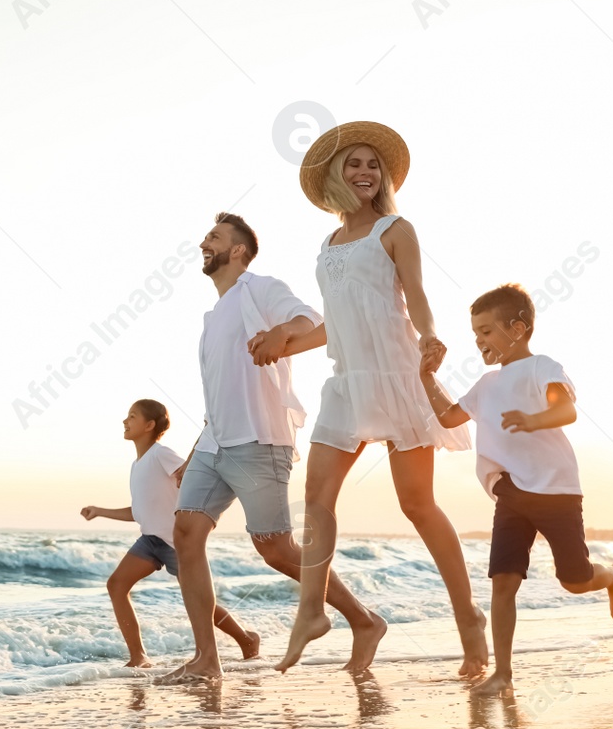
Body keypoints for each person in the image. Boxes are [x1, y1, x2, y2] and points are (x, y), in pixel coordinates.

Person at [256, 122, 489, 677]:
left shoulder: (395, 228)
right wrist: (282, 343)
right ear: (334, 175)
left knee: (417, 504)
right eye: (354, 164)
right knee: (316, 496)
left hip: (399, 374)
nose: (365, 172)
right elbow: (335, 326)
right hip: (348, 379)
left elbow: (416, 296)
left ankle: (469, 620)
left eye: (373, 165)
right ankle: (311, 611)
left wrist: (431, 338)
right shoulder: (328, 243)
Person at [161, 213, 388, 685]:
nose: (204, 243)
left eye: (215, 238)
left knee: (277, 549)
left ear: (238, 250)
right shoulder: (213, 315)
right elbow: (219, 394)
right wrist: (193, 452)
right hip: (214, 443)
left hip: (259, 440)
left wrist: (284, 334)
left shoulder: (258, 288)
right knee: (185, 536)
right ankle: (207, 657)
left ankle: (364, 620)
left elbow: (312, 317)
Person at [417, 282, 613, 697]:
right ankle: (504, 673)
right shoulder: (484, 386)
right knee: (503, 581)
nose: (479, 341)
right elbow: (447, 417)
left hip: (556, 492)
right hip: (511, 494)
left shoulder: (544, 368)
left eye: (486, 331)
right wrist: (427, 378)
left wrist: (534, 421)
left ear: (518, 328)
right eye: (475, 333)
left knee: (574, 580)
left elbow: (565, 408)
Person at [80, 399, 261, 667]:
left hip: (177, 542)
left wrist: (191, 470)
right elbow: (139, 511)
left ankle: (245, 639)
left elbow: (190, 477)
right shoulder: (137, 465)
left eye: (132, 417)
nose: (125, 421)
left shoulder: (160, 454)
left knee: (198, 600)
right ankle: (138, 657)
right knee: (116, 585)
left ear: (149, 425)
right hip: (150, 541)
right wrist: (100, 511)